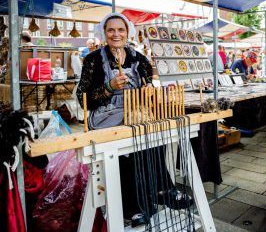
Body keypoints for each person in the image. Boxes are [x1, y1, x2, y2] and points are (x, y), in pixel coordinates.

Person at [76, 12, 191, 227]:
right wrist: (109, 88)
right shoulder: (93, 60)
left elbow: (149, 84)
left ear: (128, 32)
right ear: (104, 32)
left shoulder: (138, 58)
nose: (116, 34)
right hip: (106, 117)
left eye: (121, 30)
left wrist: (148, 90)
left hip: (135, 113)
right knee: (127, 153)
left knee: (153, 134)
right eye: (111, 30)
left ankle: (161, 190)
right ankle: (135, 207)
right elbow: (83, 99)